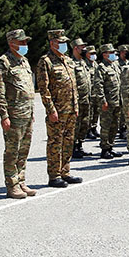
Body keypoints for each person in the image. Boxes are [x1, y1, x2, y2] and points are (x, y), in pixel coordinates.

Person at [0, 29, 37, 200]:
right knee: (12, 151)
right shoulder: (2, 63)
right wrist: (4, 115)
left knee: (24, 150)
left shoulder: (24, 61)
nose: (25, 45)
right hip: (14, 115)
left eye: (26, 42)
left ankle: (21, 180)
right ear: (12, 43)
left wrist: (32, 111)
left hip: (26, 113)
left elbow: (28, 88)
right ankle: (12, 185)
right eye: (22, 42)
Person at [36, 29, 82, 186]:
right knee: (55, 142)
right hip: (57, 110)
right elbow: (44, 89)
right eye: (60, 42)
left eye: (64, 42)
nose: (64, 45)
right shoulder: (46, 61)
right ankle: (54, 175)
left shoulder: (68, 60)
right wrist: (50, 110)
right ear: (52, 43)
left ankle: (65, 171)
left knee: (68, 141)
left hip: (70, 109)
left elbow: (73, 85)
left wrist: (76, 105)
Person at [94, 44, 124, 159]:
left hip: (117, 101)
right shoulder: (101, 67)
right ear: (104, 54)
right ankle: (105, 148)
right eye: (111, 53)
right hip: (108, 102)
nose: (113, 55)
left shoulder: (115, 66)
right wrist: (102, 101)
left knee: (114, 126)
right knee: (106, 126)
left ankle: (111, 146)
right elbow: (98, 85)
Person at [70, 37, 94, 159]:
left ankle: (80, 145)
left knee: (85, 124)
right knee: (76, 125)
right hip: (78, 100)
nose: (84, 49)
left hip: (87, 100)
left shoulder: (83, 63)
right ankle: (73, 147)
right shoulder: (71, 63)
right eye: (82, 47)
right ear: (75, 48)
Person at [85, 44, 101, 139]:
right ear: (86, 54)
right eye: (91, 53)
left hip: (96, 92)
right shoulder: (85, 64)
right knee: (89, 113)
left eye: (94, 53)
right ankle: (88, 129)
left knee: (96, 112)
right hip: (89, 93)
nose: (93, 55)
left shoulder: (95, 64)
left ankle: (94, 128)